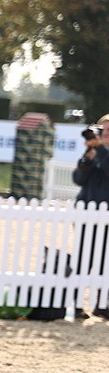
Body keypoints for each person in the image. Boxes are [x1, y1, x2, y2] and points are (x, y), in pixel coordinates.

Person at [73, 121, 109, 318]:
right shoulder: (95, 152)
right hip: (86, 211)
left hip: (107, 214)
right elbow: (78, 179)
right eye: (102, 130)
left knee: (106, 261)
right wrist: (87, 158)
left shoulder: (102, 152)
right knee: (83, 259)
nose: (103, 134)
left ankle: (102, 305)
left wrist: (101, 150)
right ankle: (77, 304)